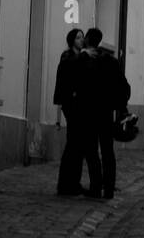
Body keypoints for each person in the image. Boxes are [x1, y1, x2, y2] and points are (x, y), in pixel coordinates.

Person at [75, 28, 131, 200]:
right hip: (105, 112)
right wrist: (119, 106)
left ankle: (95, 187)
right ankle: (108, 190)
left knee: (91, 151)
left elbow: (75, 83)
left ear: (88, 40)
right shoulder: (111, 62)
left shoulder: (83, 60)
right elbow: (124, 87)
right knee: (107, 151)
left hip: (88, 112)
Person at [54, 28, 86, 196]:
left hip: (79, 105)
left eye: (82, 37)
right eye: (78, 37)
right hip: (71, 104)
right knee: (73, 143)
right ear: (72, 40)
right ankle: (66, 183)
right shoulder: (68, 57)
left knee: (77, 144)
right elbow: (66, 79)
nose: (81, 40)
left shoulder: (80, 57)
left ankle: (73, 182)